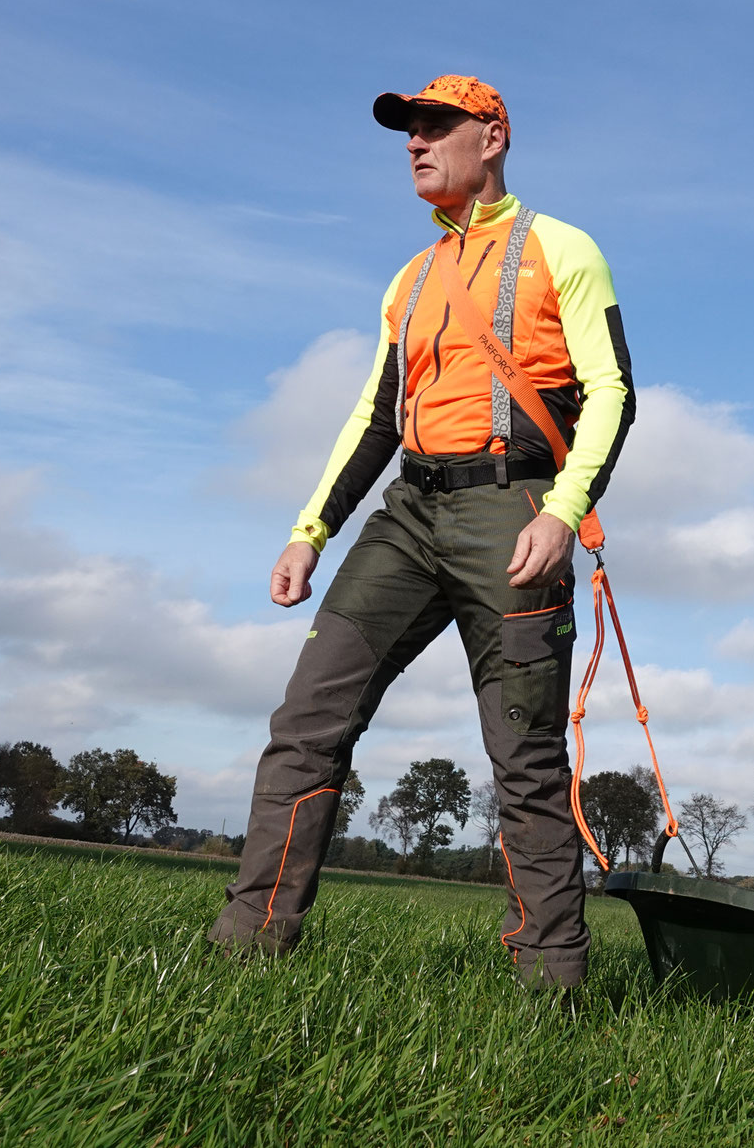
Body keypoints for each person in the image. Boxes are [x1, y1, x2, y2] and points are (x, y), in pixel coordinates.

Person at [208, 75, 635, 988]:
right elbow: (374, 414)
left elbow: (613, 391)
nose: (415, 142)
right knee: (307, 720)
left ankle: (550, 984)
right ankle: (249, 945)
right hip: (407, 514)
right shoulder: (408, 279)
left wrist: (562, 514)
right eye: (409, 129)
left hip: (512, 511)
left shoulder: (564, 248)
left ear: (493, 137)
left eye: (436, 125)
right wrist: (310, 529)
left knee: (523, 757)